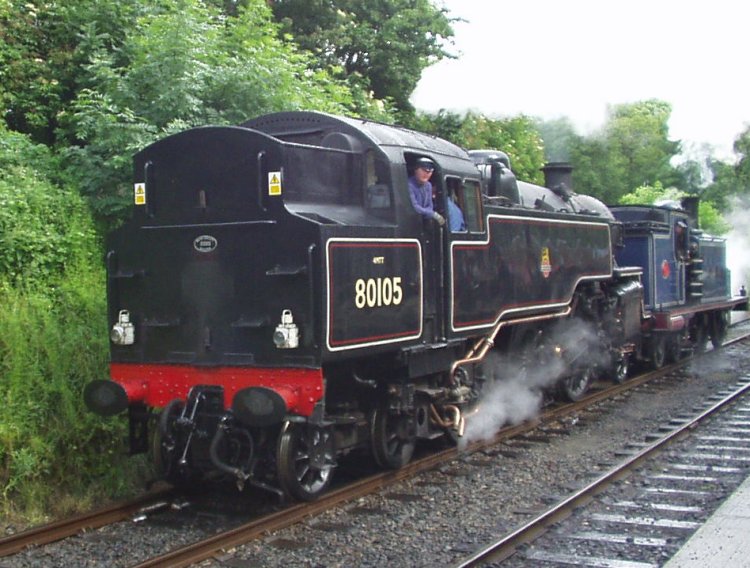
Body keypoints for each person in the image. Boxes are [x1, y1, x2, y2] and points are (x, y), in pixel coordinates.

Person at [408, 157, 445, 226]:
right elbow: (414, 206)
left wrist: (429, 213)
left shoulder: (428, 185)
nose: (427, 174)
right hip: (411, 222)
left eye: (430, 172)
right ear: (416, 169)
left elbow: (429, 206)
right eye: (424, 170)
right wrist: (432, 214)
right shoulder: (409, 185)